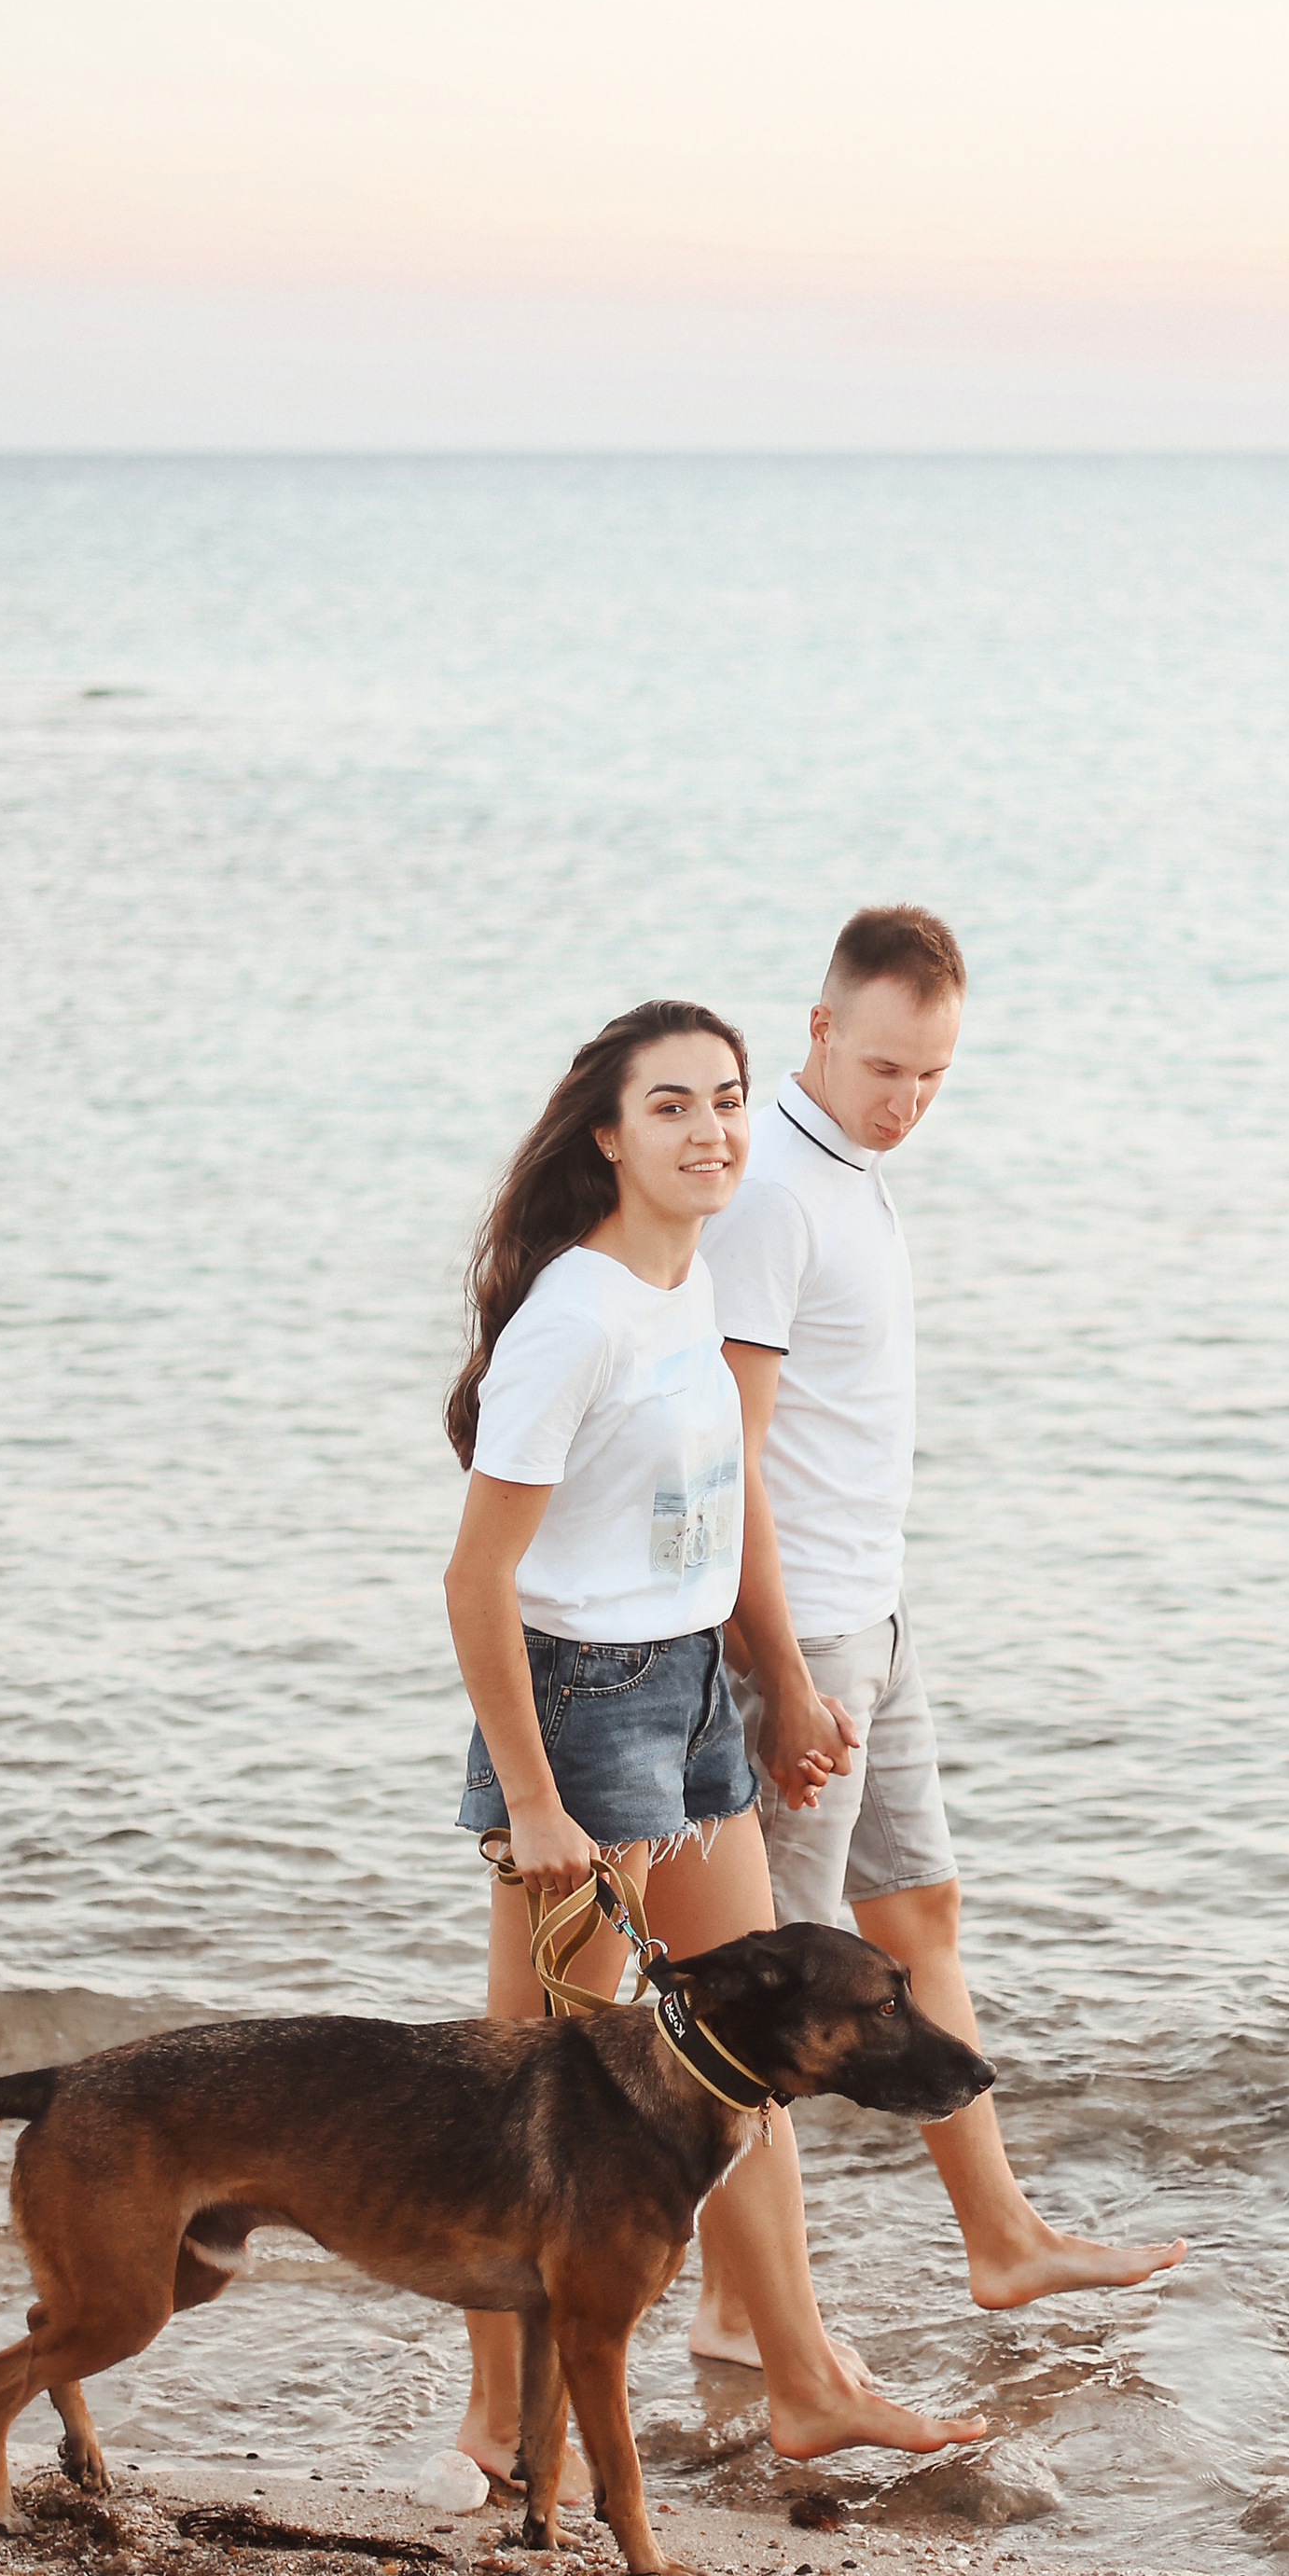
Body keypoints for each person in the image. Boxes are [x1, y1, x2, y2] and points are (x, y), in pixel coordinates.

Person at [440, 995, 985, 2489]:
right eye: (671, 1105)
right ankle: (497, 2417)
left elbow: (721, 1508)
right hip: (580, 1709)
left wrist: (780, 1690)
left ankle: (803, 2384)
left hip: (685, 1698)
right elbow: (477, 1581)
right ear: (608, 1136)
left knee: (738, 2065)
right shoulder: (576, 1315)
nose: (712, 1131)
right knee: (532, 2089)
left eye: (729, 1100)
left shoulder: (684, 1284)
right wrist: (535, 1800)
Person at [699, 907, 1185, 2336]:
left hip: (875, 1619)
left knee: (918, 1922)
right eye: (884, 1069)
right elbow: (730, 1459)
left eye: (933, 1078)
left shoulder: (853, 1175)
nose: (906, 1103)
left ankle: (1004, 2239)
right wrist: (780, 1675)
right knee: (775, 1995)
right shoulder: (773, 1191)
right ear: (818, 1030)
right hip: (801, 1641)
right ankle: (743, 2315)